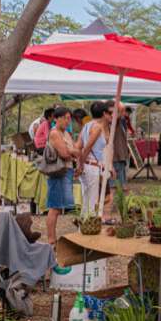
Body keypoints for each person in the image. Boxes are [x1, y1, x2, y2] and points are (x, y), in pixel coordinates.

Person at [46, 107, 77, 246]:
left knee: (59, 207)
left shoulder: (66, 133)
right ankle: (51, 239)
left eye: (69, 118)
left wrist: (73, 152)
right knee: (55, 207)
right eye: (65, 118)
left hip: (67, 170)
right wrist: (74, 152)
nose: (67, 121)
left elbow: (73, 150)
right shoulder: (55, 133)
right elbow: (65, 153)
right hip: (59, 172)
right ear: (56, 118)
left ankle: (53, 238)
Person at [78, 100, 114, 219]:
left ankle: (83, 228)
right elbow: (87, 147)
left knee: (87, 201)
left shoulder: (86, 126)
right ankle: (87, 229)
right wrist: (81, 165)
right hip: (91, 166)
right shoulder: (97, 127)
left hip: (88, 166)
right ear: (104, 113)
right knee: (92, 202)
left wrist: (79, 163)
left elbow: (78, 146)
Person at [112, 101, 130, 186]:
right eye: (122, 110)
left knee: (121, 183)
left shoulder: (122, 120)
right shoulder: (114, 120)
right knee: (116, 184)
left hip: (120, 155)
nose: (124, 112)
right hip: (116, 156)